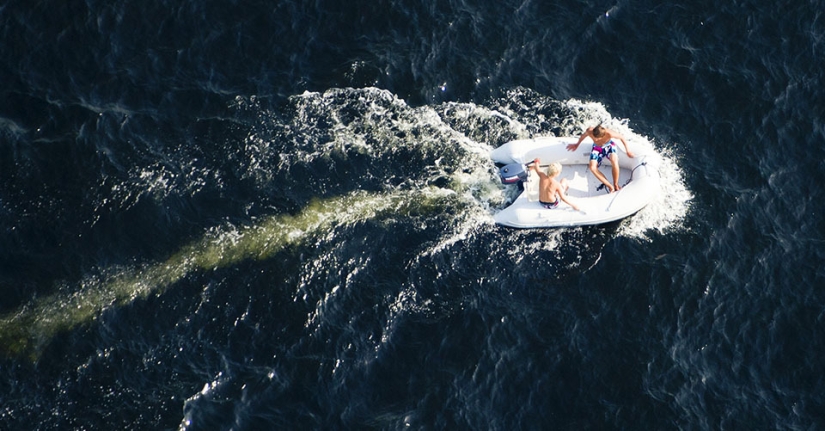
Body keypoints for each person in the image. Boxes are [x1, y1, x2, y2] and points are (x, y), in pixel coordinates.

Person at [566, 123, 635, 192]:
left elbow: (621, 137)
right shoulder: (589, 131)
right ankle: (609, 186)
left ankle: (615, 184)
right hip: (597, 148)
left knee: (614, 160)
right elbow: (583, 136)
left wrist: (628, 150)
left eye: (598, 138)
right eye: (594, 137)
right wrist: (577, 144)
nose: (596, 139)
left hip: (608, 146)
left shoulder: (609, 134)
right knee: (592, 167)